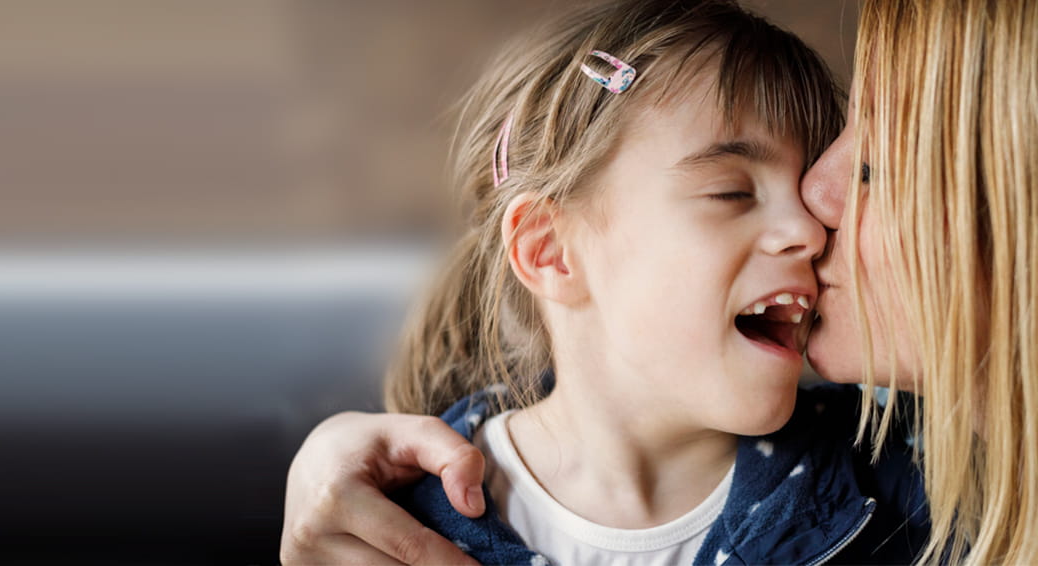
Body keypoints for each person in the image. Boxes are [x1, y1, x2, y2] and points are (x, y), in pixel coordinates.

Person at [281, 0, 1038, 563]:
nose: (810, 226)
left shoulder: (896, 472)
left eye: (872, 166)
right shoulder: (398, 522)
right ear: (550, 252)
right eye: (732, 193)